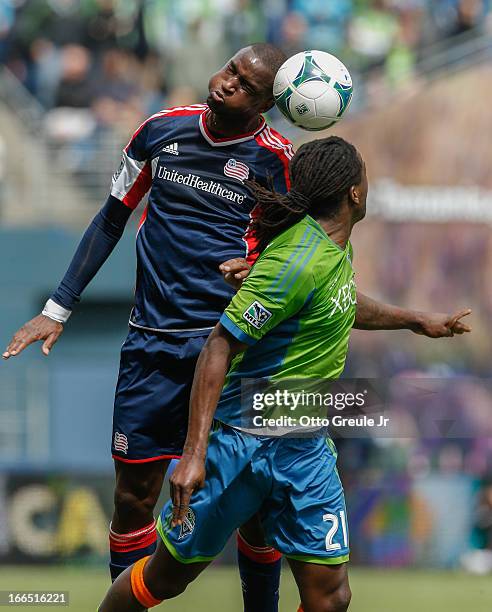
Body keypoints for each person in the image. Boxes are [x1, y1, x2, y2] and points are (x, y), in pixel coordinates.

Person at [98, 136, 471, 611]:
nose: (369, 183)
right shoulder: (298, 258)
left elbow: (342, 302)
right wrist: (193, 455)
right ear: (354, 193)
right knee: (164, 579)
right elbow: (219, 345)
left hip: (304, 445)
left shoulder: (335, 253)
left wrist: (417, 321)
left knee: (330, 598)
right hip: (241, 443)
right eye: (365, 175)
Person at [2, 43, 294, 611]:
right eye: (230, 67)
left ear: (266, 104)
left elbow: (288, 260)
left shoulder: (276, 162)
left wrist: (256, 266)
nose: (228, 82)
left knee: (256, 510)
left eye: (246, 84)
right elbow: (111, 216)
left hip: (228, 352)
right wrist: (57, 308)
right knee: (134, 499)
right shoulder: (161, 130)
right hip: (151, 348)